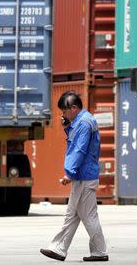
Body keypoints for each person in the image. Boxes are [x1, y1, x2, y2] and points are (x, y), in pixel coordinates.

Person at [40, 91, 108, 262]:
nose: (63, 114)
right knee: (74, 215)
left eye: (64, 111)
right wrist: (68, 126)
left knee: (85, 216)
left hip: (83, 176)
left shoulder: (84, 124)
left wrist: (69, 173)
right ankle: (60, 249)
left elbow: (79, 149)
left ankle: (97, 251)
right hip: (83, 175)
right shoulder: (82, 121)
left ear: (74, 108)